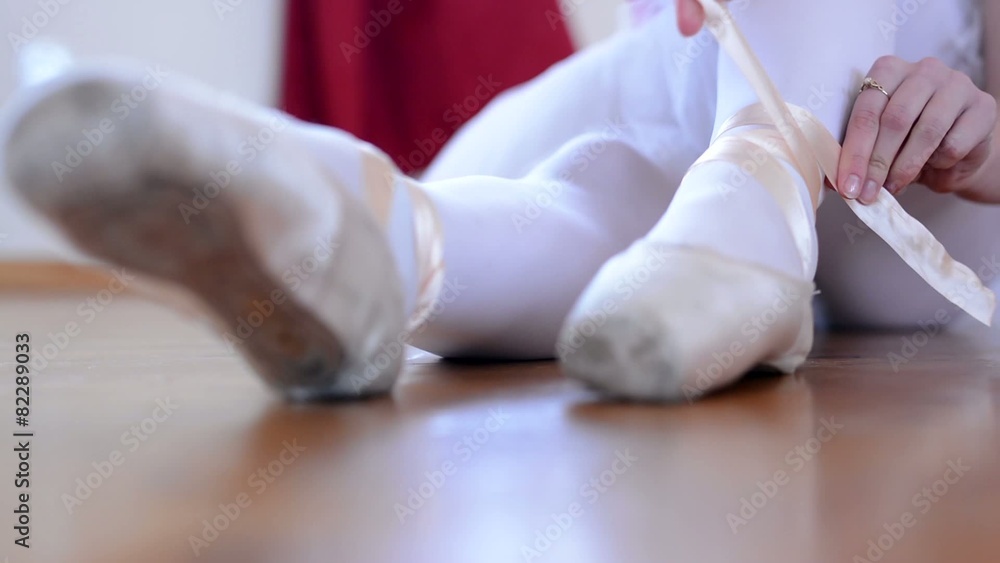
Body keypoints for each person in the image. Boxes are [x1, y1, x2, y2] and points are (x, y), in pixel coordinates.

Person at [1, 0, 996, 402]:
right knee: (611, 187)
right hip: (691, 125)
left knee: (660, 158)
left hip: (928, 197)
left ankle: (756, 194)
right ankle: (391, 248)